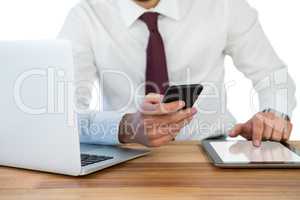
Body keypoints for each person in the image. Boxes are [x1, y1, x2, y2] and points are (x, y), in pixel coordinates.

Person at [58, 0, 296, 147]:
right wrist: (125, 127)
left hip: (212, 147)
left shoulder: (223, 4)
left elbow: (272, 75)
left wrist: (273, 115)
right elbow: (61, 115)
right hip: (126, 154)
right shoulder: (85, 16)